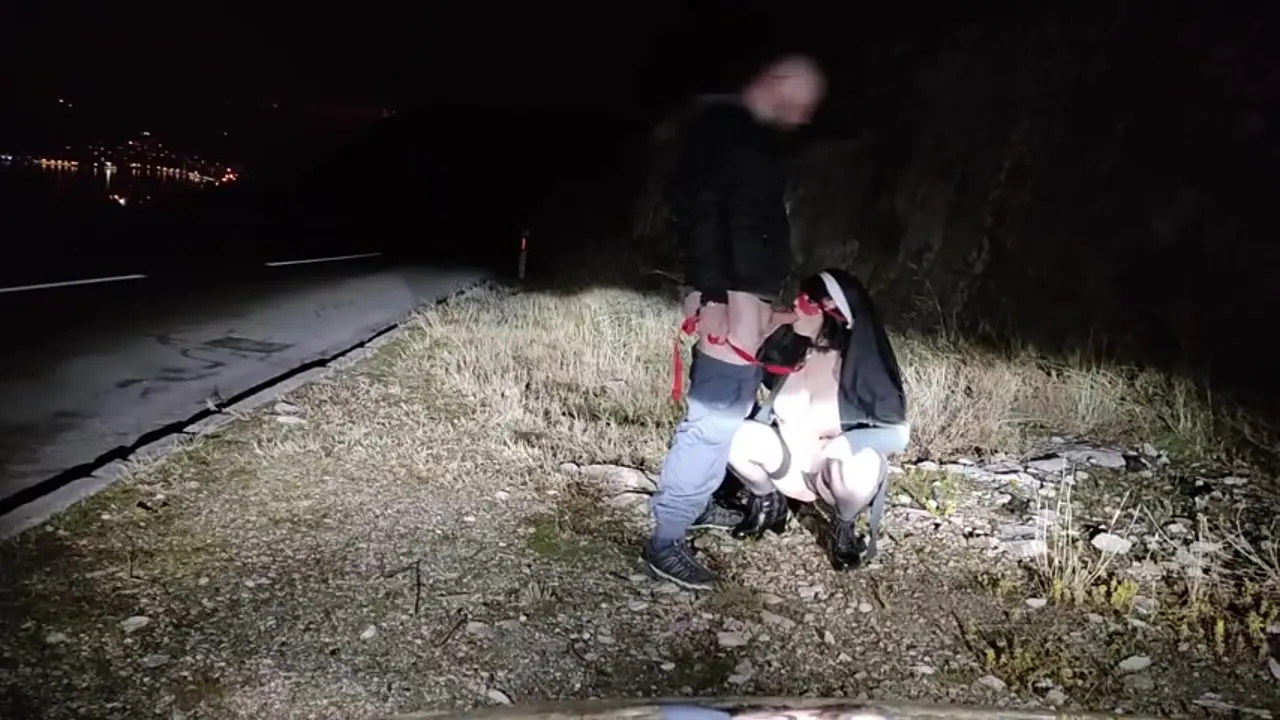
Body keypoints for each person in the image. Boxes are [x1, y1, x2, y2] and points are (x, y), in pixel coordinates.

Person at [644, 54, 827, 590]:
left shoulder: (747, 136)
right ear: (777, 82)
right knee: (712, 420)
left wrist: (773, 309)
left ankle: (699, 503)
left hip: (748, 297)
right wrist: (712, 295)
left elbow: (746, 225)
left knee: (734, 411)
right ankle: (665, 541)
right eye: (802, 103)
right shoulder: (722, 127)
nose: (804, 117)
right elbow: (700, 212)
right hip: (730, 299)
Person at [726, 269, 909, 571]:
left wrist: (850, 442)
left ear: (833, 314)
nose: (795, 305)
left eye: (808, 302)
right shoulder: (794, 349)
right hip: (788, 468)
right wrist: (759, 331)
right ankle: (768, 502)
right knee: (732, 433)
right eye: (798, 298)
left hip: (831, 477)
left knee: (861, 462)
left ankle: (844, 525)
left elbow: (899, 435)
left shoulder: (859, 364)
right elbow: (747, 370)